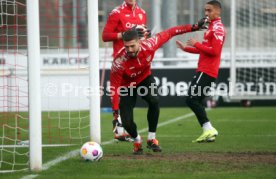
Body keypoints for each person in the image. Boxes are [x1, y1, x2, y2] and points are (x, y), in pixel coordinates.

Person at [110, 20, 206, 154]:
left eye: (132, 46)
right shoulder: (119, 61)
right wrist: (115, 115)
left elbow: (171, 31)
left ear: (139, 42)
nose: (129, 50)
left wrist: (194, 27)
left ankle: (151, 139)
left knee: (154, 100)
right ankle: (137, 141)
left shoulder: (150, 44)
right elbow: (114, 87)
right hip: (127, 86)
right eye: (126, 47)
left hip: (144, 78)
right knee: (126, 122)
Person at [176, 0, 226, 143]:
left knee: (191, 99)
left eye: (209, 10)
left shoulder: (218, 28)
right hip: (205, 69)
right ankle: (208, 132)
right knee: (195, 99)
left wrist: (196, 43)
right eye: (205, 10)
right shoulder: (211, 27)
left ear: (218, 11)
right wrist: (186, 48)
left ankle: (208, 129)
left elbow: (215, 51)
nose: (206, 13)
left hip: (207, 70)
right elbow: (204, 51)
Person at [102, 0, 150, 141]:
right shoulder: (116, 12)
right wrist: (125, 34)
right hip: (122, 61)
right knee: (121, 95)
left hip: (137, 61)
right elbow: (105, 36)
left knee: (131, 100)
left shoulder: (142, 13)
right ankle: (118, 127)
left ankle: (124, 129)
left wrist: (146, 34)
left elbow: (140, 38)